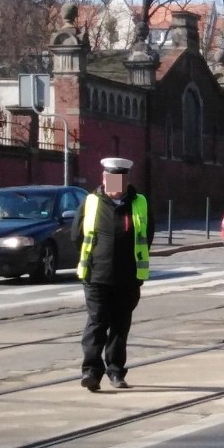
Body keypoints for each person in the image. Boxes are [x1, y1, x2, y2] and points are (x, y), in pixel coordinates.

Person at [72, 157, 155, 392]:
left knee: (120, 326)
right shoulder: (90, 202)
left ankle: (116, 372)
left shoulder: (140, 203)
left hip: (128, 277)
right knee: (97, 324)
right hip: (96, 275)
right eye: (111, 179)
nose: (114, 184)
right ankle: (90, 372)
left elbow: (147, 236)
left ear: (126, 180)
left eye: (119, 179)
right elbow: (76, 236)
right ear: (104, 179)